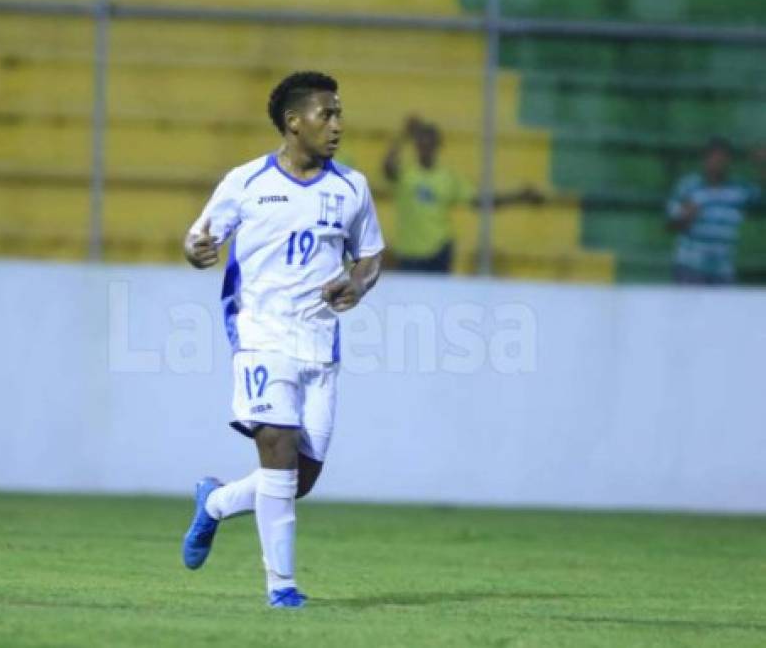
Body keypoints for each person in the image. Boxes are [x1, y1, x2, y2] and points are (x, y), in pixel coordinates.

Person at [180, 71, 384, 608]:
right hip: (261, 333)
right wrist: (197, 251)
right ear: (294, 123)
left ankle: (217, 502)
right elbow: (200, 237)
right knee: (277, 448)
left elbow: (370, 254)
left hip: (320, 343)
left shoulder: (351, 188)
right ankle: (283, 589)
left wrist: (358, 282)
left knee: (303, 477)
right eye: (327, 114)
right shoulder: (246, 182)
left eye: (340, 113)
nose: (338, 124)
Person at [382, 116, 542, 273]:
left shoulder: (448, 179)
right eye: (421, 143)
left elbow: (481, 202)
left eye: (430, 143)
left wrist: (518, 197)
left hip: (437, 252)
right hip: (408, 254)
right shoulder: (406, 175)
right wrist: (403, 135)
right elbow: (388, 167)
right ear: (416, 145)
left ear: (438, 146)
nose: (425, 147)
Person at [667, 137, 761, 285]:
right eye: (713, 157)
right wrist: (686, 216)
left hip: (723, 268)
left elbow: (760, 196)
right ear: (705, 159)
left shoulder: (739, 190)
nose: (717, 162)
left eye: (722, 158)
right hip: (691, 267)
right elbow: (672, 225)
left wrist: (761, 164)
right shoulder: (689, 187)